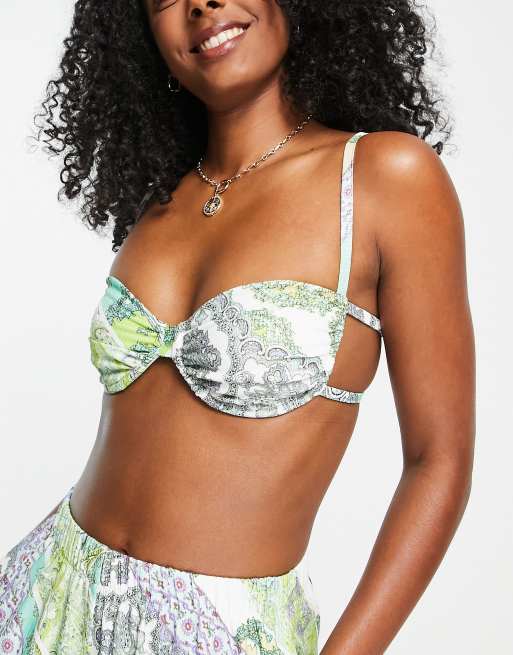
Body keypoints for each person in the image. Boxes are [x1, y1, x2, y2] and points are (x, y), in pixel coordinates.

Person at [0, 1, 475, 653]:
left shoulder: (382, 177)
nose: (202, 4)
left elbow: (438, 460)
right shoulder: (163, 196)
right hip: (45, 592)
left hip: (220, 630)